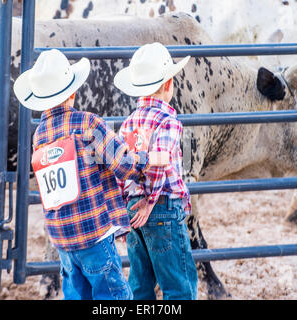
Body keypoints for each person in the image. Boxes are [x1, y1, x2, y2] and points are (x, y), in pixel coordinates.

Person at [13, 48, 169, 300]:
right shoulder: (88, 124)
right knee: (112, 296)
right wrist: (149, 159)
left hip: (62, 238)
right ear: (72, 93)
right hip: (93, 233)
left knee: (76, 293)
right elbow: (123, 164)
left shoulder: (39, 135)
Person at [113, 42, 198, 300]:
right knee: (178, 284)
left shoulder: (128, 122)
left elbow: (122, 166)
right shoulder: (168, 121)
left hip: (133, 208)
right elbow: (158, 166)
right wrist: (150, 202)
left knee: (140, 282)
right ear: (168, 84)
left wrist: (130, 204)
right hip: (161, 206)